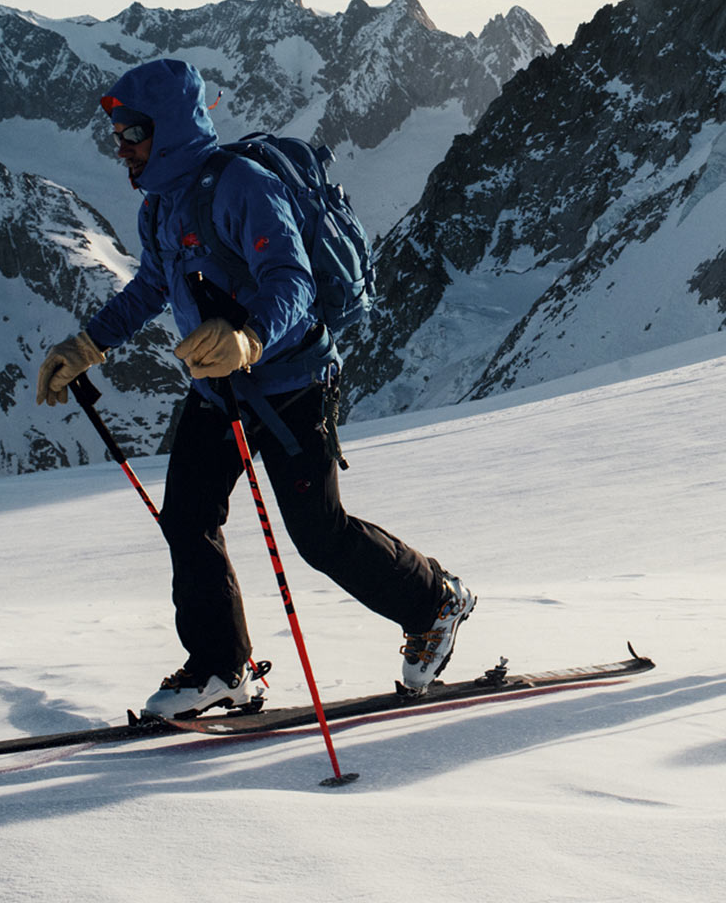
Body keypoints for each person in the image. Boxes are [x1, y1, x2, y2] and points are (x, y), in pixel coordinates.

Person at [33, 58, 474, 717]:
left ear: (172, 127)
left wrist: (250, 338)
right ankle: (223, 667)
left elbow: (290, 280)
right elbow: (155, 285)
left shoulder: (242, 186)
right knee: (187, 517)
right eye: (118, 135)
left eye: (133, 132)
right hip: (219, 391)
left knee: (319, 535)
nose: (121, 147)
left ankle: (435, 601)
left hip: (290, 383)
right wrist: (89, 345)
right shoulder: (161, 206)